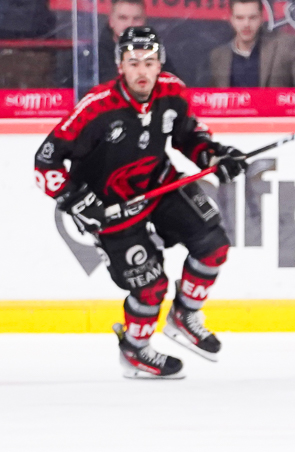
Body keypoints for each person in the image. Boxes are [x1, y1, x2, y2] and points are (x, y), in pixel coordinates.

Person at [34, 26, 247, 379]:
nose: (142, 71)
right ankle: (135, 349)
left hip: (157, 186)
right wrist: (78, 200)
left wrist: (214, 156)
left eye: (150, 62)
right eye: (133, 63)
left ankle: (185, 315)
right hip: (109, 205)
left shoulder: (173, 91)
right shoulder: (96, 108)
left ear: (160, 63)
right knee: (150, 287)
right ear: (120, 66)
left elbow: (188, 137)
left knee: (213, 246)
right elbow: (45, 163)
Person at [208, 0, 295, 88]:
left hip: (276, 116)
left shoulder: (287, 46)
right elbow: (208, 102)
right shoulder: (218, 56)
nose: (246, 24)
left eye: (252, 17)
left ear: (261, 18)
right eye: (240, 18)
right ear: (231, 19)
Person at [98, 0, 179, 84]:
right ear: (111, 21)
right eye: (123, 18)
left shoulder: (156, 51)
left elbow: (174, 87)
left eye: (136, 19)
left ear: (144, 22)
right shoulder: (96, 55)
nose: (130, 24)